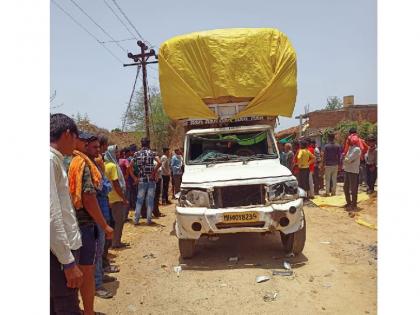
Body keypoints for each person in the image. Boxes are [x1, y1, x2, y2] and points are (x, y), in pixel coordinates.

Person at [67, 132, 114, 315]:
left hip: (69, 225)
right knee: (86, 271)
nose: (97, 151)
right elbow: (88, 197)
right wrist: (104, 225)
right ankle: (88, 311)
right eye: (93, 147)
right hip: (84, 225)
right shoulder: (81, 163)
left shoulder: (64, 160)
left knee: (71, 270)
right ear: (82, 143)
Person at [50, 114, 83, 315]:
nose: (76, 143)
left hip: (58, 254)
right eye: (76, 137)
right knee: (65, 306)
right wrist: (68, 262)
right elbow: (51, 217)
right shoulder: (49, 161)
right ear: (68, 133)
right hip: (58, 257)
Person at [93, 138, 115, 299]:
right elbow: (104, 187)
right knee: (96, 250)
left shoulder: (97, 168)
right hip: (96, 215)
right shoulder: (92, 168)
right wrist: (100, 169)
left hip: (102, 211)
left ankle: (100, 276)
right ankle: (96, 284)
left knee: (101, 249)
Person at [104, 145, 129, 248]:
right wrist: (123, 198)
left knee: (111, 221)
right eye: (116, 152)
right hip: (116, 197)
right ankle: (116, 242)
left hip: (108, 197)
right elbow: (116, 184)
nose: (118, 154)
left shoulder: (105, 165)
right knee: (119, 221)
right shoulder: (113, 166)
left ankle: (110, 242)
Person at [133, 138, 162, 225]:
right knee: (150, 201)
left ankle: (136, 220)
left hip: (141, 180)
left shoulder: (136, 154)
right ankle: (149, 220)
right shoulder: (152, 153)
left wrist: (134, 177)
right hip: (151, 180)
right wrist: (153, 172)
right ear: (148, 144)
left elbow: (129, 167)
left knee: (139, 200)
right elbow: (159, 163)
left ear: (141, 144)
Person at [343, 135, 362, 211]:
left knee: (353, 189)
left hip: (353, 171)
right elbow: (347, 159)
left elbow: (348, 159)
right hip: (347, 170)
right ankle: (349, 202)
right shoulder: (350, 148)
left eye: (348, 140)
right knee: (345, 188)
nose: (347, 141)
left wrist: (346, 159)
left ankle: (354, 204)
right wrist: (347, 159)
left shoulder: (357, 149)